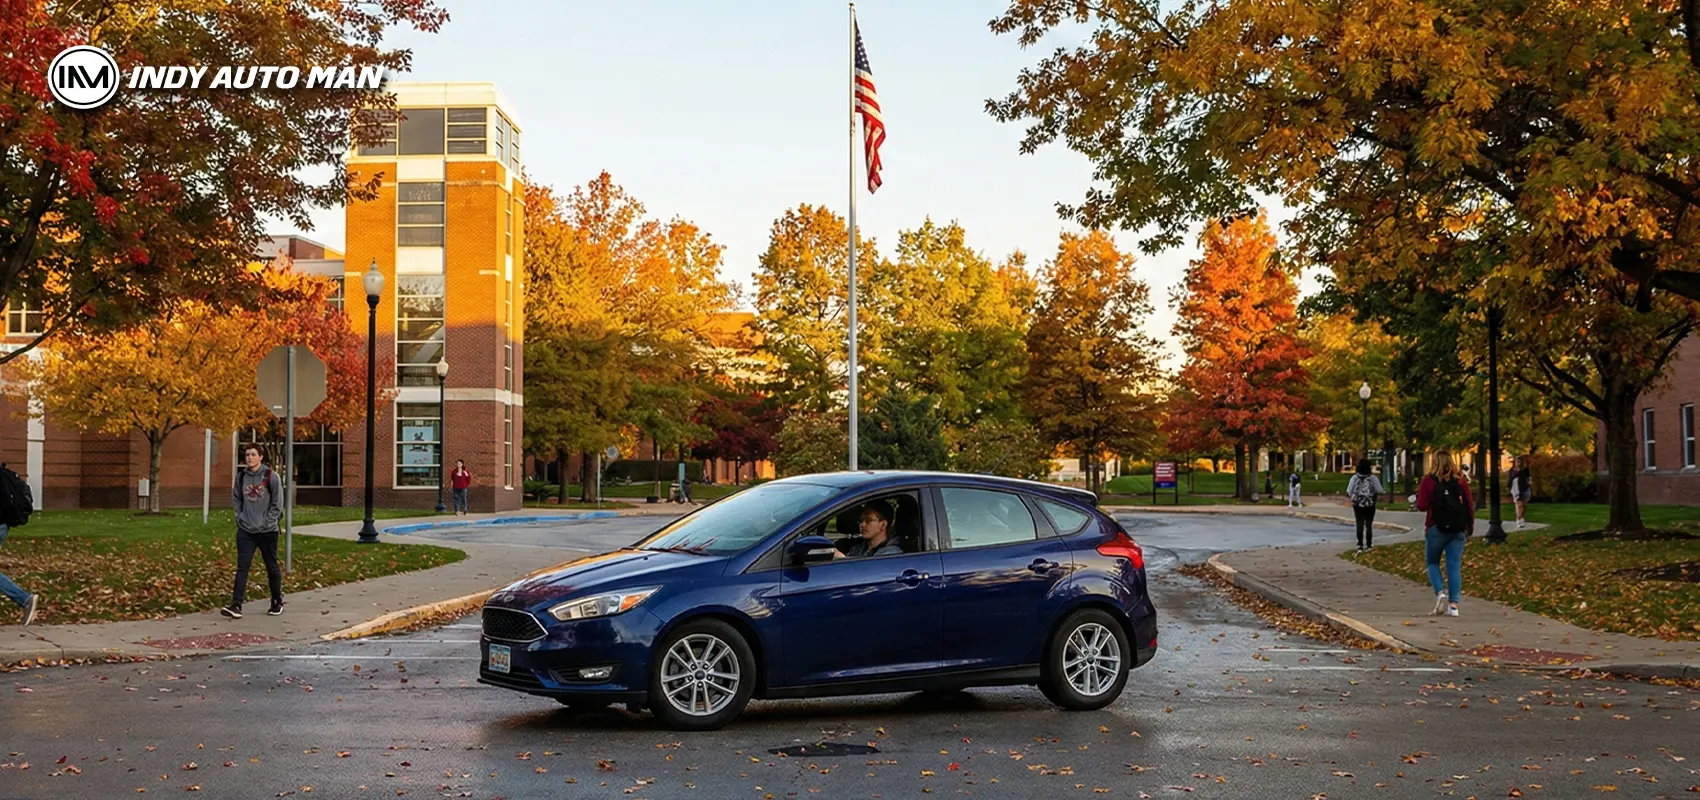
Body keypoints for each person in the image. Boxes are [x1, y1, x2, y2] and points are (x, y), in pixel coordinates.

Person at [222, 446, 284, 619]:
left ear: (260, 457)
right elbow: (236, 500)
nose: (249, 458)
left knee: (271, 566)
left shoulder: (271, 477)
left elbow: (277, 504)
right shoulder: (241, 477)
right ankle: (236, 605)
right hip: (246, 531)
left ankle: (276, 601)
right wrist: (240, 517)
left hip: (267, 531)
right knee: (243, 567)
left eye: (253, 455)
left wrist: (267, 522)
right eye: (247, 455)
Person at [1415, 450, 1475, 617]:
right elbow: (1469, 504)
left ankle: (1440, 592)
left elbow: (1421, 505)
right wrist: (1469, 526)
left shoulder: (1428, 481)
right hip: (1458, 529)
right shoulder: (1460, 481)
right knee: (1454, 566)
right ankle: (1454, 606)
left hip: (1436, 527)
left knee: (1432, 562)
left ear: (1434, 462)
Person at [834, 503, 901, 558]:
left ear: (883, 525)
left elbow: (871, 572)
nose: (862, 525)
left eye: (868, 520)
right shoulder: (857, 549)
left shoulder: (892, 554)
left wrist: (842, 559)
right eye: (861, 521)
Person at [1346, 459, 1385, 552]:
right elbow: (1379, 490)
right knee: (1368, 524)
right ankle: (1369, 544)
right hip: (1370, 503)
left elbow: (1349, 490)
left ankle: (1359, 544)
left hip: (1357, 504)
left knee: (1359, 523)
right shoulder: (1373, 478)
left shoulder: (1355, 478)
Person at [1508, 456, 1532, 529]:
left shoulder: (1525, 470)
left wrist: (1530, 484)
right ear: (1514, 463)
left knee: (1524, 505)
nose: (1518, 463)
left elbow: (1529, 478)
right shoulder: (1512, 470)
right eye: (1517, 461)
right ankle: (1519, 519)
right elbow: (1510, 480)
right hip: (1516, 489)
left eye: (1520, 461)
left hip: (1525, 488)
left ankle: (1521, 517)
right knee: (1519, 504)